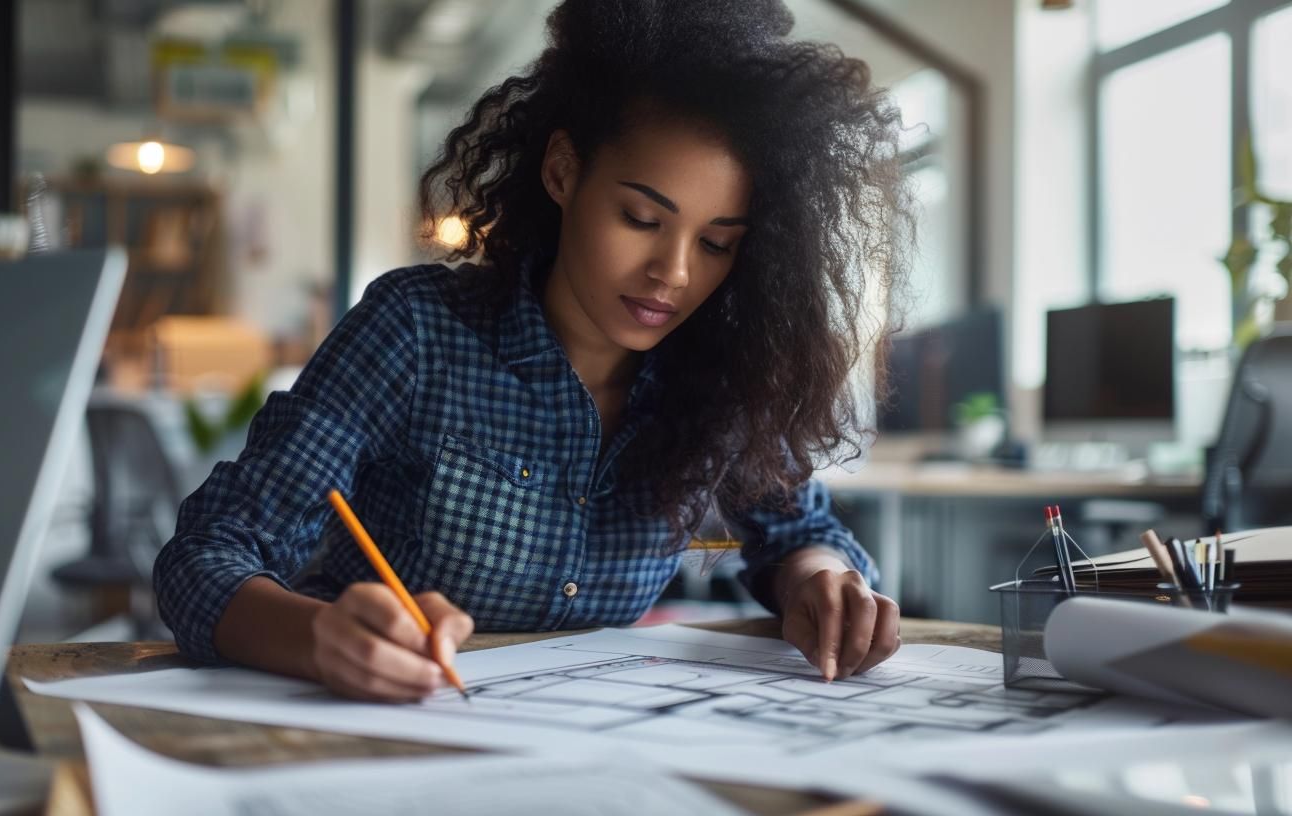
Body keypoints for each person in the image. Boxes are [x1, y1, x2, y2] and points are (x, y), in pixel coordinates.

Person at [154, 0, 913, 703]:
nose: (674, 274)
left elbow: (800, 531)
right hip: (381, 728)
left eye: (716, 243)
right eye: (641, 218)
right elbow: (206, 557)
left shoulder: (718, 375)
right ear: (561, 171)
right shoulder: (417, 329)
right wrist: (317, 638)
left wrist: (821, 580)